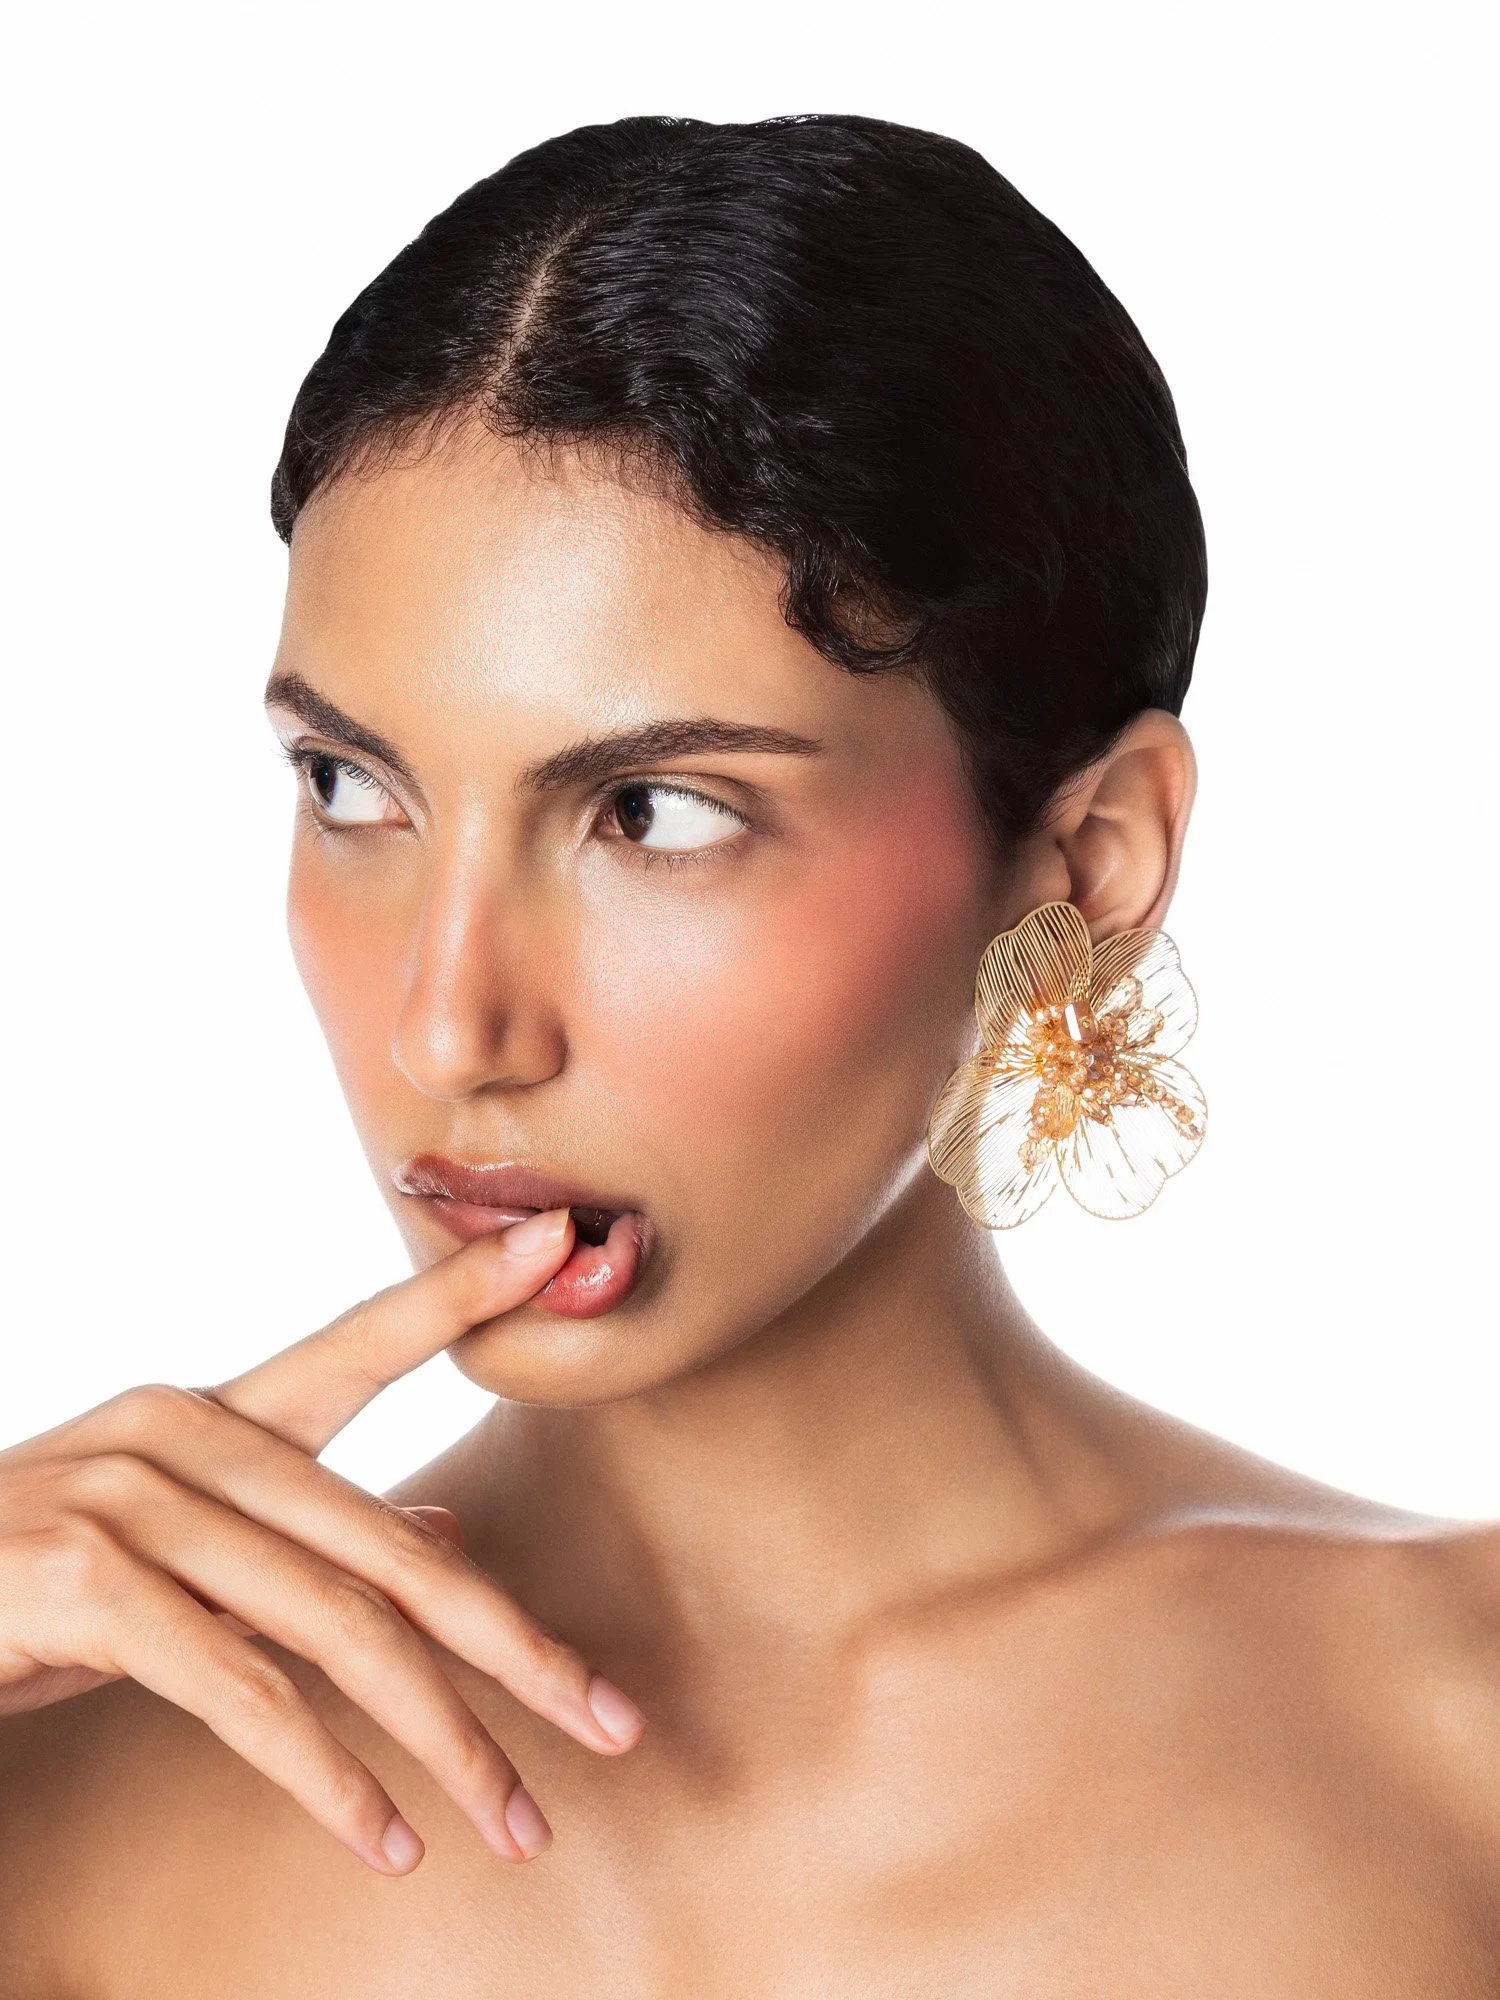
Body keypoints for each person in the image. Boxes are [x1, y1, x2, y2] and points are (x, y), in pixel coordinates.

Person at [1, 114, 1496, 1997]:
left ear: (1091, 857)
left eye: (653, 814)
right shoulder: (51, 1784)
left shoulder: (1453, 1750)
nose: (450, 1024)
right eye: (351, 786)